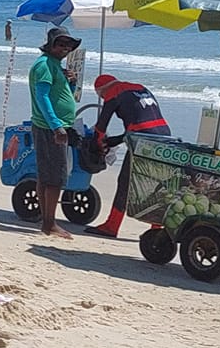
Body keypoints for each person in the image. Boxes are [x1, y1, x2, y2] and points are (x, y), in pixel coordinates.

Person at [83, 74, 169, 238]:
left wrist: (97, 143)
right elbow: (142, 121)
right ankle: (156, 226)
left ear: (102, 90)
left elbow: (101, 125)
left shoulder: (113, 92)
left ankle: (111, 226)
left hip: (144, 141)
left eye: (101, 95)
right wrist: (116, 140)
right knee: (155, 183)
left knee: (125, 182)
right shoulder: (139, 88)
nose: (103, 98)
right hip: (164, 135)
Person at [28, 27, 83, 239]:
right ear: (51, 44)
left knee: (47, 175)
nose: (65, 49)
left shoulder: (54, 66)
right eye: (61, 44)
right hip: (50, 127)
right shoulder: (44, 66)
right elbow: (42, 98)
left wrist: (72, 82)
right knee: (55, 177)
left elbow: (61, 94)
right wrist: (56, 126)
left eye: (68, 46)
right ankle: (49, 224)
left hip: (54, 126)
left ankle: (47, 222)